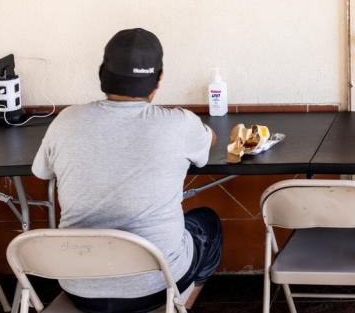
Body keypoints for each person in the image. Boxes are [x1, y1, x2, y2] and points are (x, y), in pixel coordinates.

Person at [32, 28, 221, 313]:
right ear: (158, 79)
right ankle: (178, 304)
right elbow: (209, 144)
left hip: (79, 288)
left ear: (101, 75)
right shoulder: (179, 123)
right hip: (157, 286)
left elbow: (42, 173)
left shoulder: (65, 121)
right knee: (207, 222)